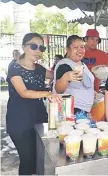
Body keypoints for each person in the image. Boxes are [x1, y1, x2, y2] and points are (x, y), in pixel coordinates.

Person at [6, 33, 61, 175]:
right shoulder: (14, 68)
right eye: (33, 46)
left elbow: (56, 75)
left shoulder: (40, 69)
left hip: (39, 119)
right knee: (28, 159)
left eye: (41, 48)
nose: (38, 51)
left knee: (41, 156)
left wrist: (67, 69)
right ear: (24, 47)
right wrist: (47, 94)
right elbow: (23, 92)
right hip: (19, 121)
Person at [54, 35, 95, 120]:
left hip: (83, 110)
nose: (80, 50)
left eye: (82, 47)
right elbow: (59, 90)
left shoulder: (82, 64)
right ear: (68, 50)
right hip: (71, 110)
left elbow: (86, 84)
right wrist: (65, 78)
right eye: (75, 47)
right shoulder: (65, 65)